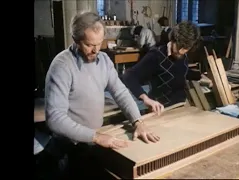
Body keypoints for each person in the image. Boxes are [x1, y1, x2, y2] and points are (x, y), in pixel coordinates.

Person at [44, 11, 160, 179]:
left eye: (99, 43)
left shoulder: (104, 60)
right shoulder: (62, 66)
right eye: (90, 45)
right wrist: (95, 136)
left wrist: (138, 121)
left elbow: (120, 92)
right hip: (69, 148)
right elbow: (54, 118)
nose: (96, 50)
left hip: (93, 142)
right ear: (76, 40)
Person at [122, 21, 208, 114]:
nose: (180, 51)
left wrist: (200, 76)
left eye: (185, 48)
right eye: (179, 46)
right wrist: (145, 98)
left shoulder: (184, 56)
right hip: (159, 111)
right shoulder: (156, 55)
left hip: (180, 108)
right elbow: (129, 75)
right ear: (173, 39)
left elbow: (181, 71)